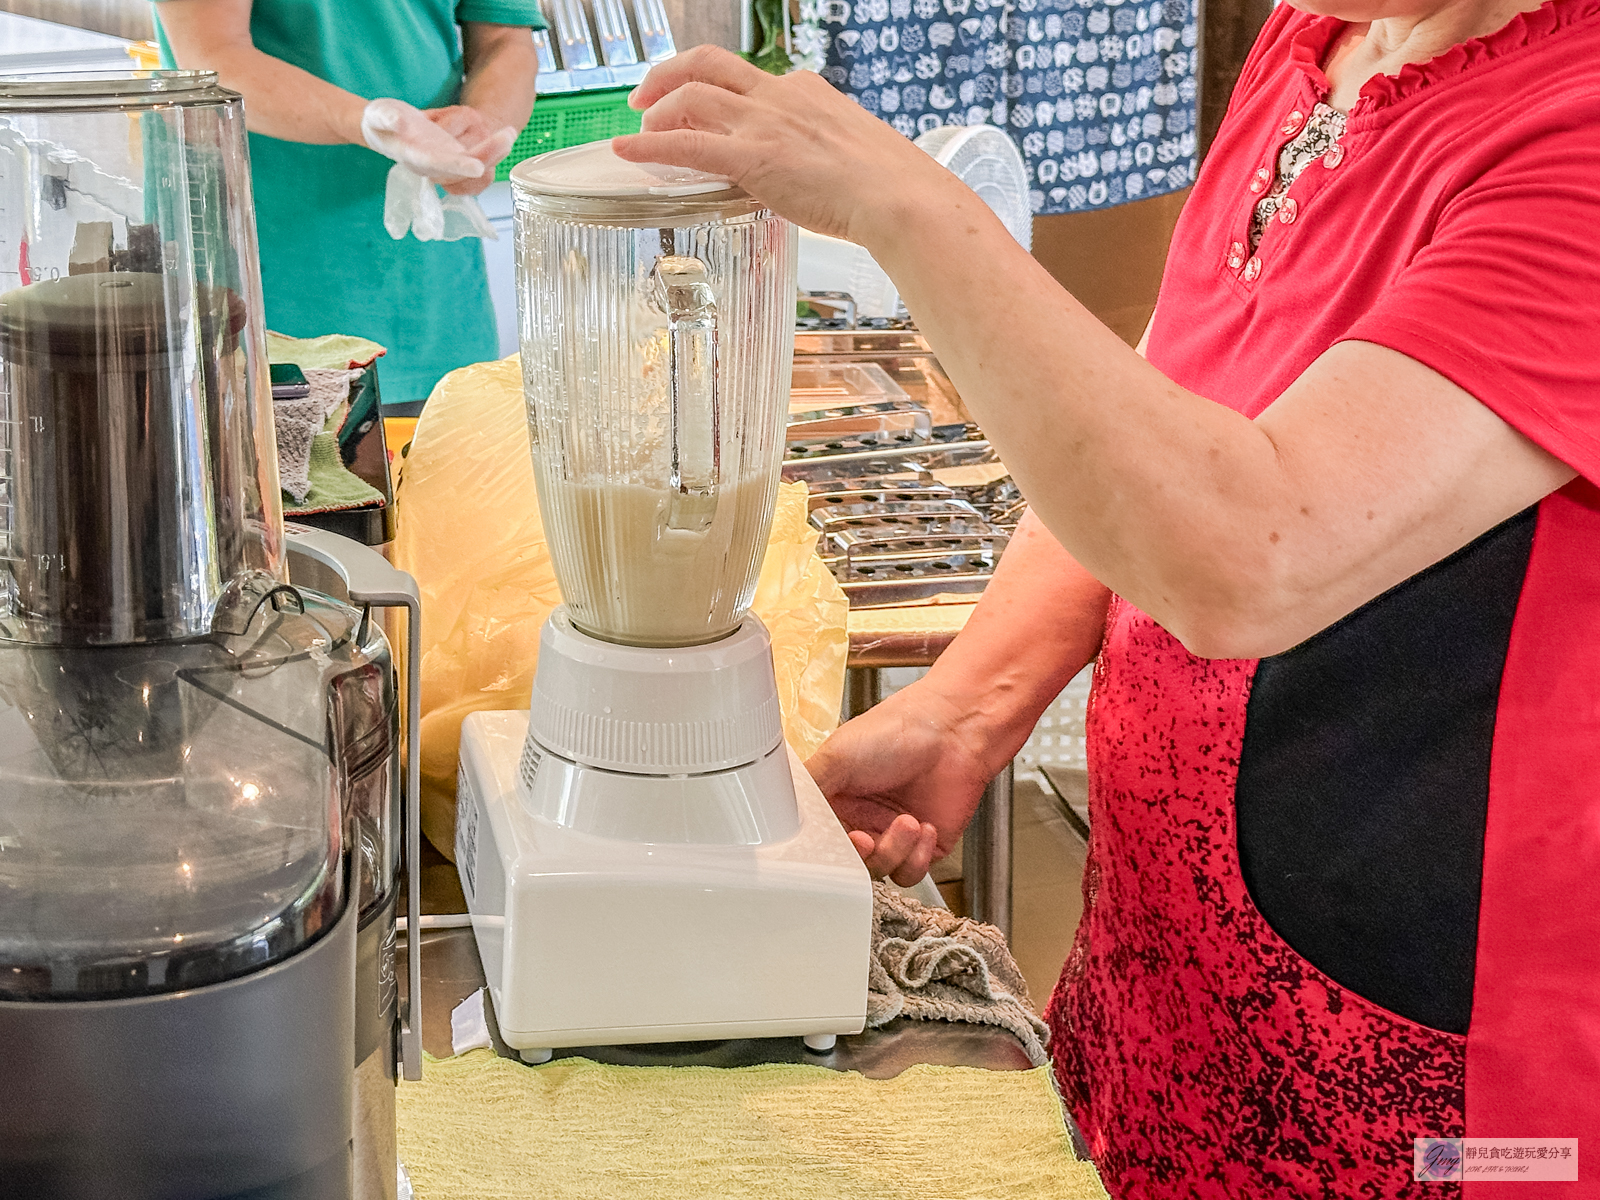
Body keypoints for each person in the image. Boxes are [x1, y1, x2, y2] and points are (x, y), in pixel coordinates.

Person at [612, 2, 1600, 1195]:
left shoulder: (1571, 129)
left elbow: (1249, 549)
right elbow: (1171, 391)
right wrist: (974, 700)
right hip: (1171, 969)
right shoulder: (1328, 36)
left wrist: (910, 208)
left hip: (1445, 1056)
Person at [156, 0, 544, 403]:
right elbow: (213, 56)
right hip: (267, 276)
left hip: (432, 288)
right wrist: (365, 122)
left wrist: (483, 127)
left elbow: (505, 38)